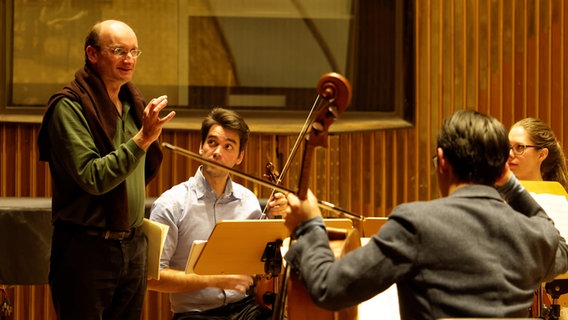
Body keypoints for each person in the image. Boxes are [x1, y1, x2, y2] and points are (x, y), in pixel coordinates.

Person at [283, 109, 568, 319]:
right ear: (504, 169)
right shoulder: (534, 234)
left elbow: (329, 289)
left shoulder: (417, 224)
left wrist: (309, 226)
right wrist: (513, 188)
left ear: (442, 161)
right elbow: (558, 241)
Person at [37, 20, 175, 319]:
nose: (129, 59)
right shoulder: (69, 106)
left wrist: (144, 138)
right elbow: (94, 177)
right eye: (118, 51)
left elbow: (139, 171)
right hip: (86, 249)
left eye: (134, 51)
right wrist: (142, 139)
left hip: (133, 245)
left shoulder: (133, 104)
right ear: (92, 54)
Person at [148, 107, 288, 320]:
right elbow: (152, 278)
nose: (217, 152)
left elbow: (263, 262)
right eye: (212, 143)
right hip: (195, 315)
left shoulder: (248, 201)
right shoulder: (171, 204)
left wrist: (275, 219)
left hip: (245, 308)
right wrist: (214, 279)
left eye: (228, 146)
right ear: (200, 147)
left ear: (239, 157)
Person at [508, 117, 568, 191]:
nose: (509, 154)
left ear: (542, 155)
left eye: (520, 147)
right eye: (508, 147)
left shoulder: (555, 198)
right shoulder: (496, 194)